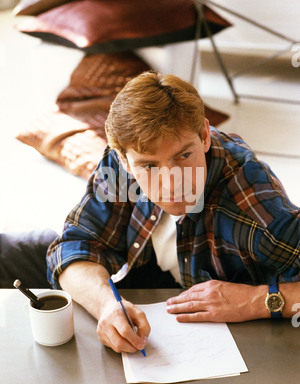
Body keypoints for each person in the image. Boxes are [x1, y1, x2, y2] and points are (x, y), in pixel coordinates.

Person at [46, 71, 300, 354]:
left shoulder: (257, 204)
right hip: (150, 278)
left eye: (184, 156)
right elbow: (73, 246)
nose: (172, 183)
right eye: (150, 167)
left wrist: (256, 300)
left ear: (204, 136)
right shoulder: (122, 161)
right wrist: (106, 305)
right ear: (124, 160)